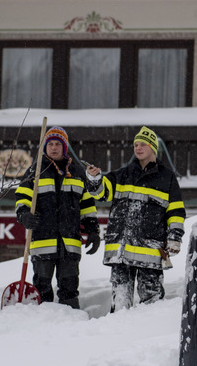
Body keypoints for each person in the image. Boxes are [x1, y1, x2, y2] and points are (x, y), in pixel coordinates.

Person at [84, 126, 185, 312]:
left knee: (152, 304)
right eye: (135, 145)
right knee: (120, 303)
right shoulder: (122, 175)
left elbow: (176, 211)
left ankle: (146, 338)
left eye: (143, 144)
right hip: (120, 252)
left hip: (150, 251)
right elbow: (100, 193)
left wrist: (174, 238)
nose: (138, 148)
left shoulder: (167, 178)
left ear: (153, 147)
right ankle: (117, 337)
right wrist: (95, 178)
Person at [15, 126, 100, 309]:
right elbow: (22, 197)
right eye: (50, 144)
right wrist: (23, 215)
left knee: (69, 288)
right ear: (45, 147)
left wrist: (93, 230)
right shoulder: (35, 172)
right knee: (42, 287)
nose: (54, 148)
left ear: (64, 147)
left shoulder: (77, 173)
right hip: (42, 240)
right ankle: (40, 324)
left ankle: (70, 323)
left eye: (58, 144)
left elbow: (87, 205)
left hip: (69, 243)